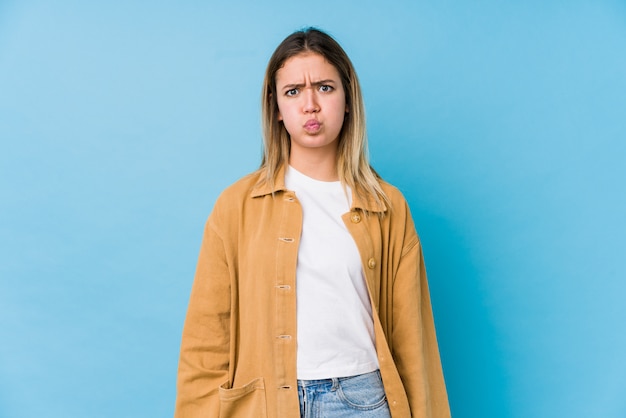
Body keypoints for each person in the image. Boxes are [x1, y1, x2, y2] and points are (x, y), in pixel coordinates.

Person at [175, 27, 450, 418]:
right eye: (293, 91)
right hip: (265, 403)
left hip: (362, 401)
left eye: (324, 87)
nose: (310, 105)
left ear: (348, 98)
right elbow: (206, 344)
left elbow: (413, 341)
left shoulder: (387, 206)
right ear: (275, 107)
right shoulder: (236, 207)